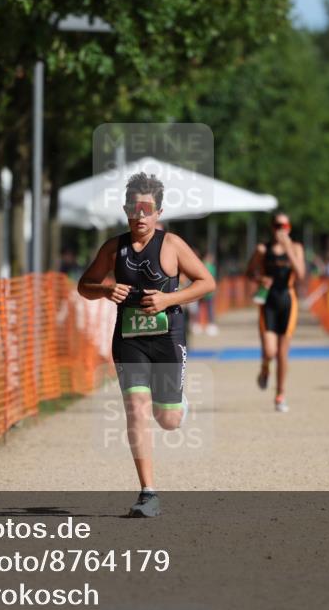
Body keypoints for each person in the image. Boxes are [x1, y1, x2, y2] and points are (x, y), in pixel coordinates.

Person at [77, 172, 215, 518]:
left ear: (158, 212)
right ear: (125, 209)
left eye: (146, 209)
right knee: (136, 407)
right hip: (129, 338)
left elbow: (206, 282)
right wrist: (106, 290)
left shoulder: (172, 245)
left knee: (167, 420)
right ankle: (148, 493)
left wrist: (169, 300)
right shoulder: (114, 247)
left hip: (167, 338)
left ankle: (175, 402)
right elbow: (85, 285)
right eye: (133, 208)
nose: (139, 216)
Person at [245, 213, 306, 412]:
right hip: (268, 302)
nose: (282, 228)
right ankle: (264, 368)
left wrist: (288, 248)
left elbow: (301, 274)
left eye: (286, 224)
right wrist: (260, 278)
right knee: (270, 351)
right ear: (272, 227)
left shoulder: (296, 248)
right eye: (278, 225)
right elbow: (249, 272)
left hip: (288, 300)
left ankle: (280, 394)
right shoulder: (263, 249)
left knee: (282, 352)